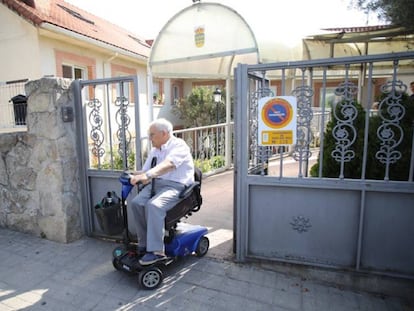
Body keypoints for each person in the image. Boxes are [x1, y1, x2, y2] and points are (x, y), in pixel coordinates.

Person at [129, 118, 194, 265]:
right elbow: (146, 171)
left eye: (152, 135)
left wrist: (148, 175)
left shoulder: (179, 146)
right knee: (136, 203)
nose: (150, 138)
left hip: (176, 185)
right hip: (157, 184)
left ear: (164, 133)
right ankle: (145, 244)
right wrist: (133, 174)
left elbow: (169, 164)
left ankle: (157, 252)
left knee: (154, 205)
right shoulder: (155, 150)